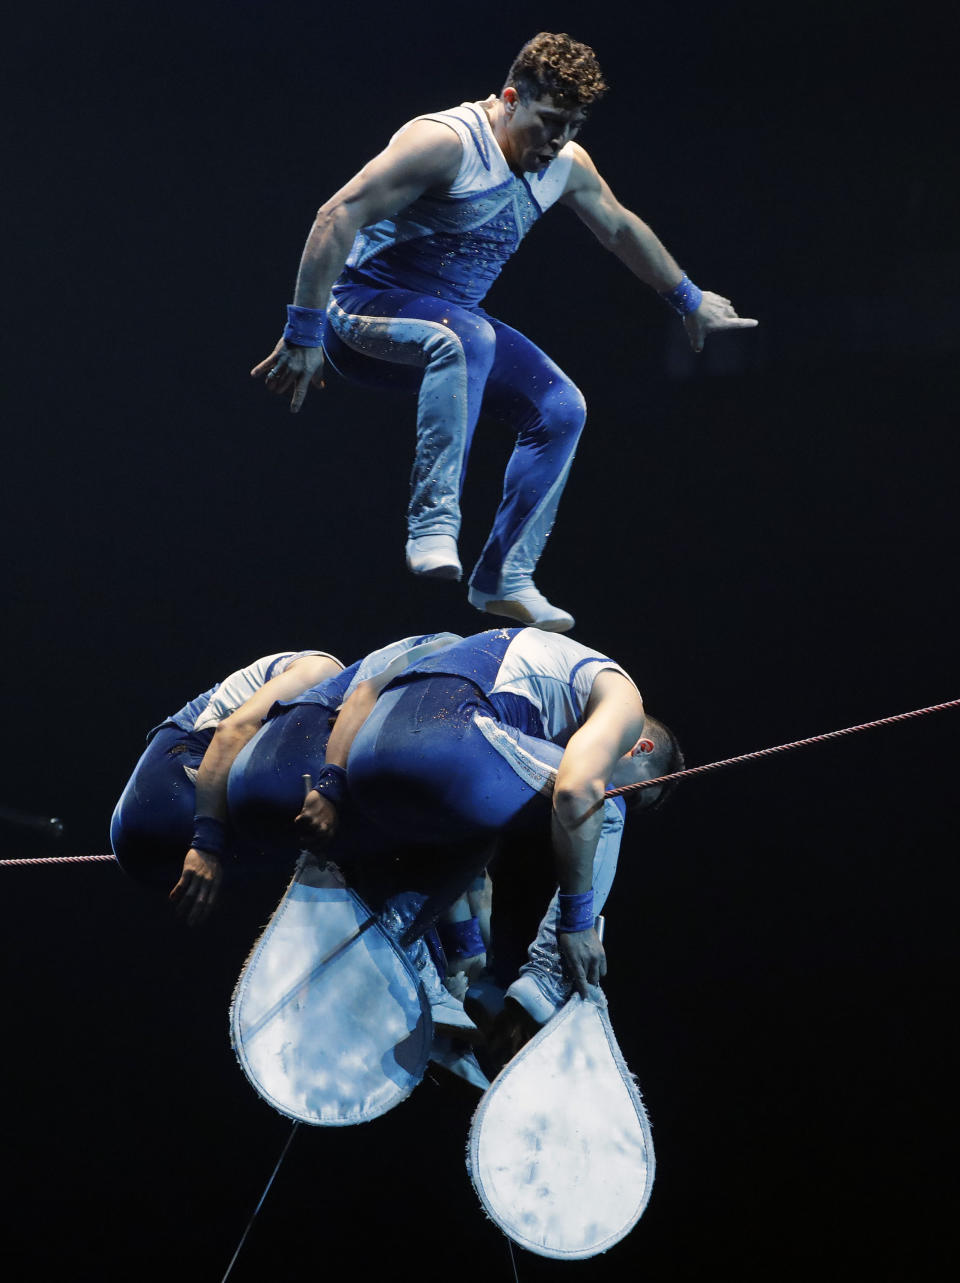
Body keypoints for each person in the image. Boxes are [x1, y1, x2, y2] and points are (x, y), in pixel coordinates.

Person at [252, 32, 757, 631]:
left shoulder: (566, 164)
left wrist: (688, 298)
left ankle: (503, 579)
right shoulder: (443, 142)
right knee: (467, 337)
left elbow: (619, 228)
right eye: (548, 122)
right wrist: (304, 331)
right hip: (361, 316)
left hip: (452, 339)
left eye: (572, 125)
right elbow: (336, 214)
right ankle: (433, 523)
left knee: (561, 407)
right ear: (511, 98)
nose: (558, 141)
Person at [295, 627, 681, 1059]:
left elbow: (367, 691)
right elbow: (575, 793)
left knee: (488, 824)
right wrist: (576, 920)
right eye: (637, 788)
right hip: (451, 741)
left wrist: (330, 787)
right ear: (639, 748)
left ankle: (399, 941)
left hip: (367, 760)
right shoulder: (624, 699)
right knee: (600, 803)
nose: (625, 788)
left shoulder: (520, 669)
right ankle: (551, 966)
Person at [110, 648, 344, 924]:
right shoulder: (323, 670)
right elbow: (234, 730)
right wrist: (206, 843)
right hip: (173, 784)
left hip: (154, 839)